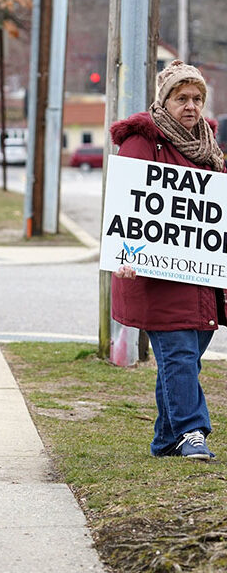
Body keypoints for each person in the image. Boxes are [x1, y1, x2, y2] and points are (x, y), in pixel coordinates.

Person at [110, 60, 226, 460]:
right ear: (165, 101)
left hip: (201, 276)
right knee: (177, 354)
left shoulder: (210, 150)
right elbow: (127, 207)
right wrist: (124, 255)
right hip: (155, 276)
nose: (191, 106)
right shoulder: (142, 143)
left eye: (197, 98)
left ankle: (164, 439)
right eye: (182, 98)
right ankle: (193, 432)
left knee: (185, 358)